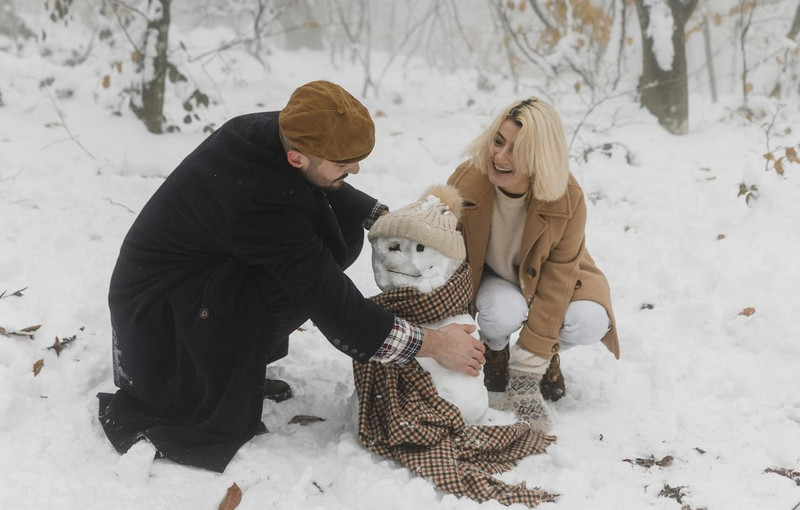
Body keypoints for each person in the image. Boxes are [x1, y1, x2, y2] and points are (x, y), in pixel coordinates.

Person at [98, 81, 484, 472]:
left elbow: (330, 190)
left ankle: (235, 364)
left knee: (340, 230)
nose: (356, 169)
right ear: (298, 158)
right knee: (293, 268)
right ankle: (207, 380)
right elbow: (334, 305)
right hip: (161, 326)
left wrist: (386, 220)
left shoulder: (276, 130)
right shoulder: (258, 204)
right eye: (344, 162)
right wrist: (435, 344)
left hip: (190, 282)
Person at [447, 96, 619, 431]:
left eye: (516, 150)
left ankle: (542, 354)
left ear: (540, 156)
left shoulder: (567, 196)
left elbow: (558, 280)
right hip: (496, 277)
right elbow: (442, 252)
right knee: (502, 312)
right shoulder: (467, 179)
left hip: (555, 275)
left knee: (590, 321)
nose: (500, 156)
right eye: (499, 141)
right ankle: (496, 352)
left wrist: (528, 371)